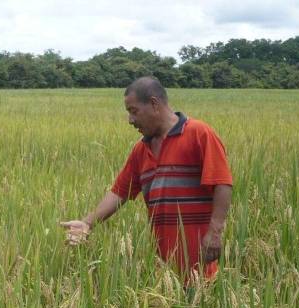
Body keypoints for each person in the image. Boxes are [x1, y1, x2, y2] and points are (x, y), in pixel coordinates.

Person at [60, 76, 232, 282]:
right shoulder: (141, 150)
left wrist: (215, 232)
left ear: (154, 104)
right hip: (163, 271)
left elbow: (222, 183)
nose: (130, 120)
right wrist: (87, 223)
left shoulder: (198, 133)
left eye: (134, 111)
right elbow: (119, 192)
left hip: (200, 267)